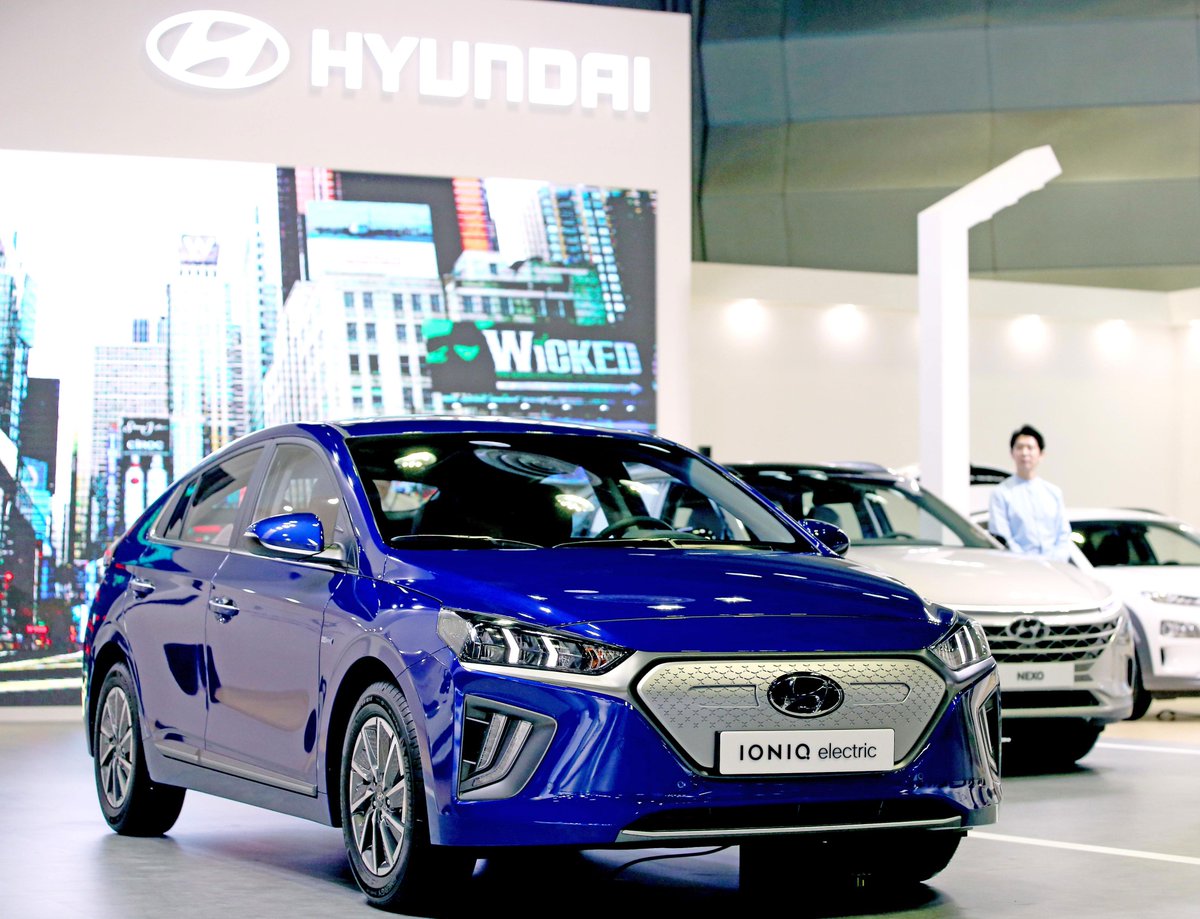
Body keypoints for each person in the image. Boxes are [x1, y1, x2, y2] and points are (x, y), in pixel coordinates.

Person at [988, 424, 1072, 562]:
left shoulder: (1053, 493)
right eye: (1019, 447)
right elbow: (1002, 537)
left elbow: (1064, 535)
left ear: (1041, 454)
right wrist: (1029, 562)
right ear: (1012, 453)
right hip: (1019, 567)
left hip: (1054, 567)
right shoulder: (1001, 493)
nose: (1025, 453)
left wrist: (1055, 560)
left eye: (1030, 447)